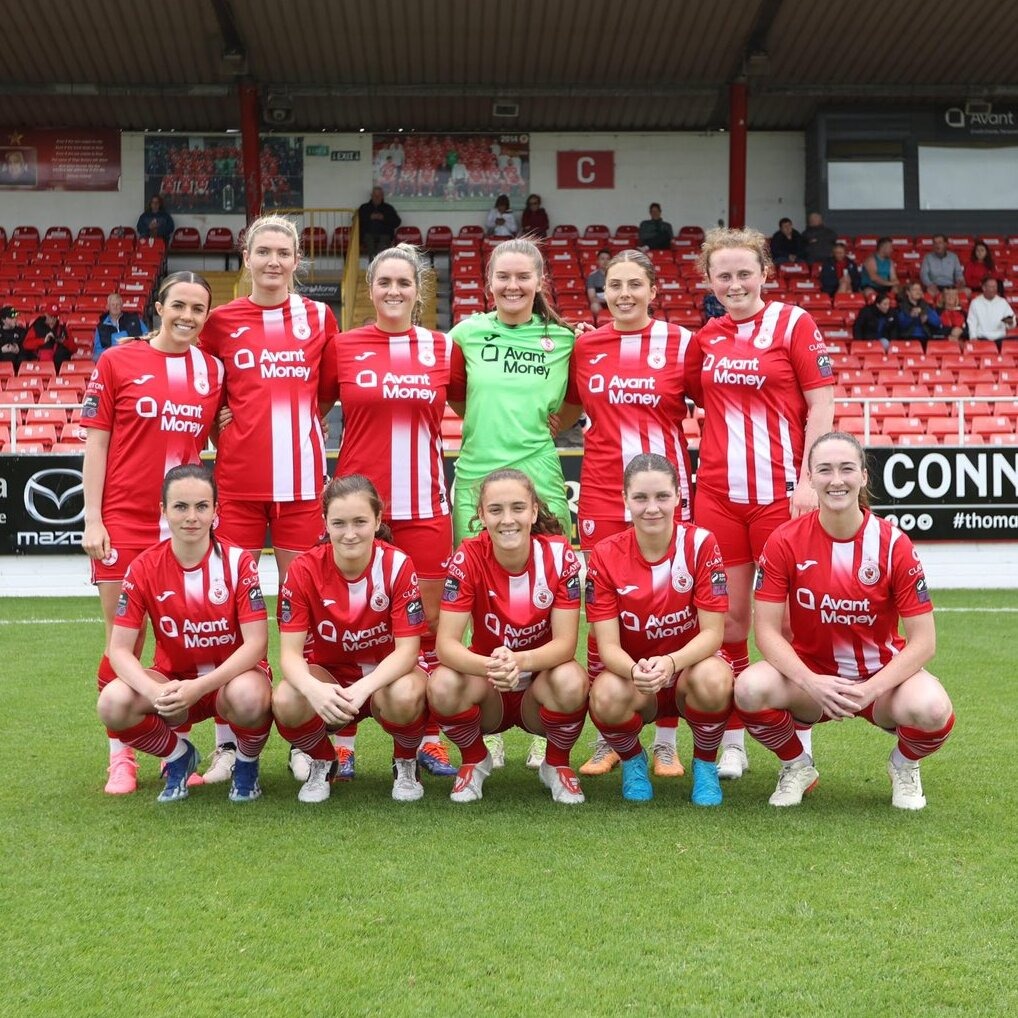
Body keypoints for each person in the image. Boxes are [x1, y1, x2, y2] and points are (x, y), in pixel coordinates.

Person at [735, 432, 955, 809]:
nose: (836, 480)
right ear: (810, 478)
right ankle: (796, 765)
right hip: (812, 679)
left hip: (882, 679)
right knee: (749, 689)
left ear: (864, 476)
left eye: (846, 469)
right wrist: (811, 681)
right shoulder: (784, 541)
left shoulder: (893, 544)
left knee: (933, 709)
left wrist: (871, 689)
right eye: (824, 470)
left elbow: (924, 642)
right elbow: (767, 632)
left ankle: (904, 764)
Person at [689, 227, 835, 781]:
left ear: (764, 274)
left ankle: (798, 740)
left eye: (744, 272)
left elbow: (822, 407)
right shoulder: (706, 337)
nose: (734, 283)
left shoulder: (794, 324)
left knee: (789, 623)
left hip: (781, 497)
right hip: (720, 498)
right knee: (728, 620)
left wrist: (808, 480)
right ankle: (732, 740)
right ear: (709, 281)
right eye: (722, 275)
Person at [199, 214, 339, 778]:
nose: (274, 261)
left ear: (298, 260)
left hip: (303, 489)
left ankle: (305, 739)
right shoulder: (219, 322)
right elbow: (207, 392)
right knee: (229, 613)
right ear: (246, 256)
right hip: (236, 489)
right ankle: (229, 739)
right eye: (264, 251)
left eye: (284, 252)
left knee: (301, 611)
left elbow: (325, 394)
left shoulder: (318, 318)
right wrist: (222, 426)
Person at [82, 272, 225, 795]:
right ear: (158, 307)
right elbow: (97, 444)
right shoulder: (117, 360)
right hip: (123, 518)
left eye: (198, 309)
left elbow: (222, 433)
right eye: (178, 306)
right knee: (123, 639)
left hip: (182, 523)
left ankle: (174, 751)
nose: (187, 316)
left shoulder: (212, 370)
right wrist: (92, 518)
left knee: (182, 639)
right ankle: (121, 755)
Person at [447, 238, 579, 769]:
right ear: (488, 282)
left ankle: (544, 721)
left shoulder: (565, 339)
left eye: (523, 277)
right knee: (481, 598)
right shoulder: (465, 334)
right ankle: (492, 718)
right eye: (503, 277)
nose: (513, 286)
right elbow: (458, 395)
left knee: (550, 596)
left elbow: (574, 404)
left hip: (541, 477)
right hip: (476, 473)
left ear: (539, 281)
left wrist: (549, 427)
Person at [566, 249, 698, 780]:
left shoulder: (682, 344)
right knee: (604, 619)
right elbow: (567, 410)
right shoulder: (586, 345)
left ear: (653, 291)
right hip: (601, 494)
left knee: (672, 609)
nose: (622, 294)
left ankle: (665, 740)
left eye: (634, 285)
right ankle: (611, 735)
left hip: (664, 496)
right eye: (613, 285)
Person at [328, 243, 456, 778]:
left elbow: (469, 404)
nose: (394, 291)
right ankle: (343, 741)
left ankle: (428, 738)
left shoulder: (444, 348)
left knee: (426, 624)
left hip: (425, 504)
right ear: (371, 288)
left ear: (418, 291)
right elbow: (311, 406)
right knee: (348, 618)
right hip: (360, 507)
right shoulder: (342, 346)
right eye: (385, 283)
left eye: (405, 283)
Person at [98, 465, 272, 803]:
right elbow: (119, 649)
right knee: (113, 702)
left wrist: (201, 687)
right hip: (172, 682)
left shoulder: (239, 562)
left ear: (215, 511)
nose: (191, 516)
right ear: (162, 510)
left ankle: (247, 763)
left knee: (250, 696)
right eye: (180, 506)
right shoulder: (143, 567)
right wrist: (154, 690)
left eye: (201, 506)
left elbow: (257, 643)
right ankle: (179, 756)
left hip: (228, 683)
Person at [428, 469, 588, 804]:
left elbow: (566, 644)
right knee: (441, 683)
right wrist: (492, 666)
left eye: (518, 508)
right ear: (482, 515)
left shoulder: (560, 556)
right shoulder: (468, 556)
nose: (507, 519)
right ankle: (475, 760)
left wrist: (520, 660)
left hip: (540, 686)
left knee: (573, 679)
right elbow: (446, 646)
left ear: (533, 511)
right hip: (490, 687)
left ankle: (556, 765)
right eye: (496, 510)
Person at [272, 475, 430, 804]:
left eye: (360, 521)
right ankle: (322, 759)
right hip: (330, 676)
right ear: (325, 523)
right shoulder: (303, 570)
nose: (350, 533)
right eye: (339, 523)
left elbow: (408, 651)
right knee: (287, 699)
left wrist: (363, 688)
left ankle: (405, 761)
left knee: (406, 693)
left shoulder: (398, 564)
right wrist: (314, 689)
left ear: (378, 520)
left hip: (387, 677)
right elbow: (289, 655)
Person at [587, 454, 733, 804]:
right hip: (636, 679)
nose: (652, 508)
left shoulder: (701, 544)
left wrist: (670, 662)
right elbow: (606, 646)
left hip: (688, 673)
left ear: (679, 497)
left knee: (716, 678)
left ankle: (705, 765)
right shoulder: (605, 554)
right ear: (625, 500)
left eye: (662, 497)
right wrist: (636, 670)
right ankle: (633, 762)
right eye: (640, 498)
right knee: (604, 694)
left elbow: (713, 633)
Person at [92, 293, 147, 361]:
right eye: (113, 305)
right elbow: (97, 351)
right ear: (108, 307)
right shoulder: (101, 327)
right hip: (112, 360)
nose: (115, 307)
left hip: (134, 357)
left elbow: (146, 337)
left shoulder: (135, 320)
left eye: (118, 304)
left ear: (122, 306)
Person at [23, 305, 73, 370]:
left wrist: (64, 342)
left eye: (55, 317)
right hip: (41, 363)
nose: (53, 319)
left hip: (59, 364)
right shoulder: (36, 327)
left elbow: (74, 348)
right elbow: (26, 345)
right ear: (46, 314)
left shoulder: (63, 329)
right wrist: (43, 340)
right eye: (51, 316)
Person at [966, 276, 1016, 341]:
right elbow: (972, 322)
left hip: (1000, 337)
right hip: (982, 338)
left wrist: (1011, 322)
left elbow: (1011, 322)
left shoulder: (1002, 302)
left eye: (995, 287)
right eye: (991, 287)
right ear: (984, 288)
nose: (994, 289)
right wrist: (973, 337)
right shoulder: (975, 303)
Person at [358, 186, 401, 259]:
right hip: (368, 235)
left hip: (384, 235)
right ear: (371, 196)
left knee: (382, 247)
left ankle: (377, 265)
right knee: (369, 242)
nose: (377, 197)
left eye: (379, 195)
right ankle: (373, 265)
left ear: (382, 196)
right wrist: (369, 217)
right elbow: (356, 221)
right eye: (375, 195)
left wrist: (384, 218)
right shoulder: (364, 207)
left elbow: (397, 222)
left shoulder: (388, 208)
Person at [585, 248, 611, 316]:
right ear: (597, 261)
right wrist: (605, 300)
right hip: (600, 302)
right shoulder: (592, 277)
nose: (605, 261)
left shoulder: (616, 275)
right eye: (602, 259)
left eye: (607, 259)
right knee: (594, 306)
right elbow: (592, 297)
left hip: (613, 302)